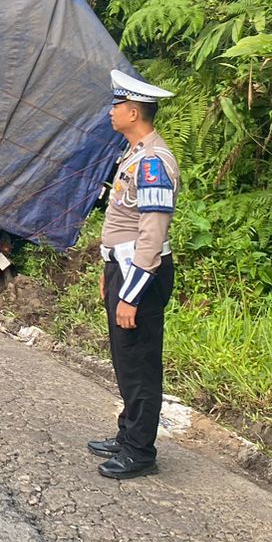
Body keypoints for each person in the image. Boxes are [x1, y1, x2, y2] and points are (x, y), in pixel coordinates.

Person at [89, 68, 179, 479]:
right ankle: (128, 435)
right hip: (123, 268)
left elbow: (152, 232)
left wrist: (131, 294)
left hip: (140, 274)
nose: (111, 112)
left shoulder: (154, 163)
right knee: (126, 360)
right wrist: (112, 277)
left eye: (117, 105)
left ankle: (140, 451)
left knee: (139, 362)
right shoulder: (135, 156)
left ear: (134, 112)